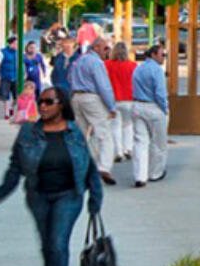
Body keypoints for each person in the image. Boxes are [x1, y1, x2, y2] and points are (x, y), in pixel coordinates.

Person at [0, 88, 105, 266]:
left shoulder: (74, 131)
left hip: (69, 196)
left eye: (48, 102)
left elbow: (89, 166)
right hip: (38, 197)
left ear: (61, 105)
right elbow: (15, 166)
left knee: (57, 243)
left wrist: (95, 198)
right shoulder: (28, 132)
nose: (42, 106)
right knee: (48, 246)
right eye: (40, 102)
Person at [67, 38, 119, 182]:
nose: (107, 51)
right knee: (104, 134)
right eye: (105, 48)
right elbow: (103, 86)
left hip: (76, 97)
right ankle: (104, 168)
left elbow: (69, 78)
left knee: (80, 135)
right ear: (96, 47)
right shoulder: (96, 63)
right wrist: (111, 106)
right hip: (92, 98)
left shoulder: (78, 60)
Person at [128, 42, 170, 187]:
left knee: (140, 142)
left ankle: (140, 176)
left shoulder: (138, 69)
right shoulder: (157, 70)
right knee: (158, 143)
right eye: (162, 54)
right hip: (153, 107)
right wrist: (165, 108)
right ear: (153, 55)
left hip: (137, 105)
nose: (164, 57)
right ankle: (155, 172)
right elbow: (160, 92)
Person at [104, 42, 137, 167]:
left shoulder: (106, 65)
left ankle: (118, 151)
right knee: (128, 124)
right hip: (129, 99)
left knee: (115, 126)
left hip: (113, 100)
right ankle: (127, 148)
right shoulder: (133, 66)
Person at [0, 36, 21, 119]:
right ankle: (6, 113)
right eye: (15, 43)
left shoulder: (18, 53)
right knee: (6, 96)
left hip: (16, 77)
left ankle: (11, 107)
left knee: (17, 97)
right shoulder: (2, 52)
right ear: (10, 44)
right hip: (5, 76)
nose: (17, 45)